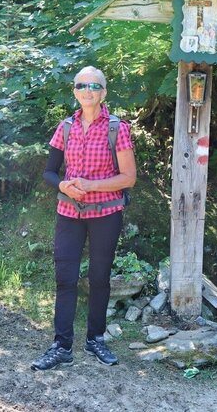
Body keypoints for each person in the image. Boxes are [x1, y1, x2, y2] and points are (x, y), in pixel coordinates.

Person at [31, 66, 136, 371]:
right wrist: (64, 185)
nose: (87, 90)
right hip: (69, 213)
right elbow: (49, 172)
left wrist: (91, 186)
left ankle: (95, 339)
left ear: (104, 93)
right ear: (74, 92)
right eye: (81, 86)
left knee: (100, 278)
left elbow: (128, 178)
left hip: (106, 213)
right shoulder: (65, 127)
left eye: (94, 85)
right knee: (65, 278)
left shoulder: (118, 128)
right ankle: (61, 345)